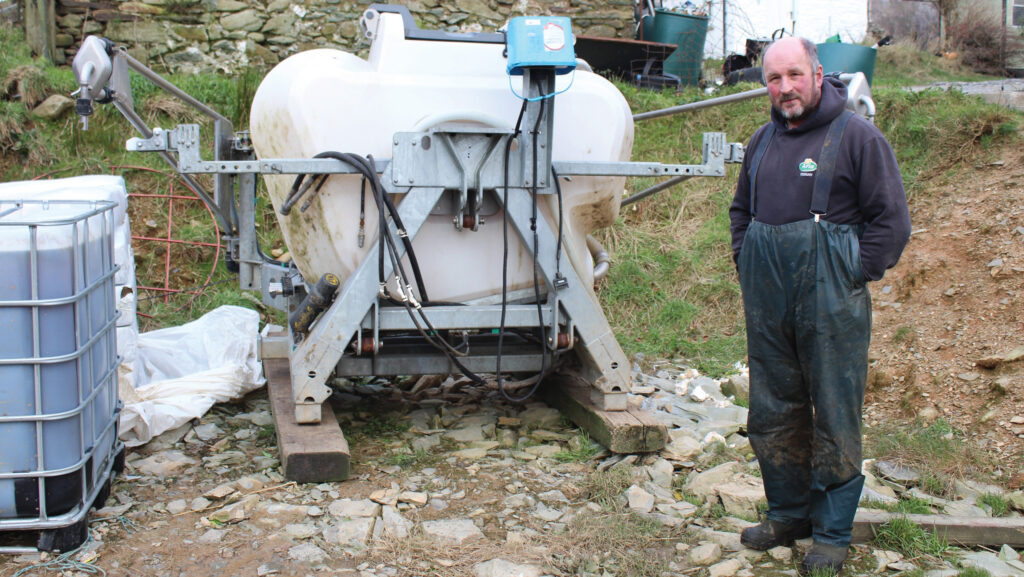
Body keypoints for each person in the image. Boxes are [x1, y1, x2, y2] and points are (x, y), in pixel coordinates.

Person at [728, 37, 911, 575]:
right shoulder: (761, 142)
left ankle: (831, 533)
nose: (784, 88)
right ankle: (788, 515)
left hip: (832, 299)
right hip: (768, 299)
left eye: (794, 75)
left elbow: (891, 223)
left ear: (818, 73)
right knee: (773, 408)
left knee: (834, 412)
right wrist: (746, 259)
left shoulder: (858, 138)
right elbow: (741, 212)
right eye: (773, 79)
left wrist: (854, 270)